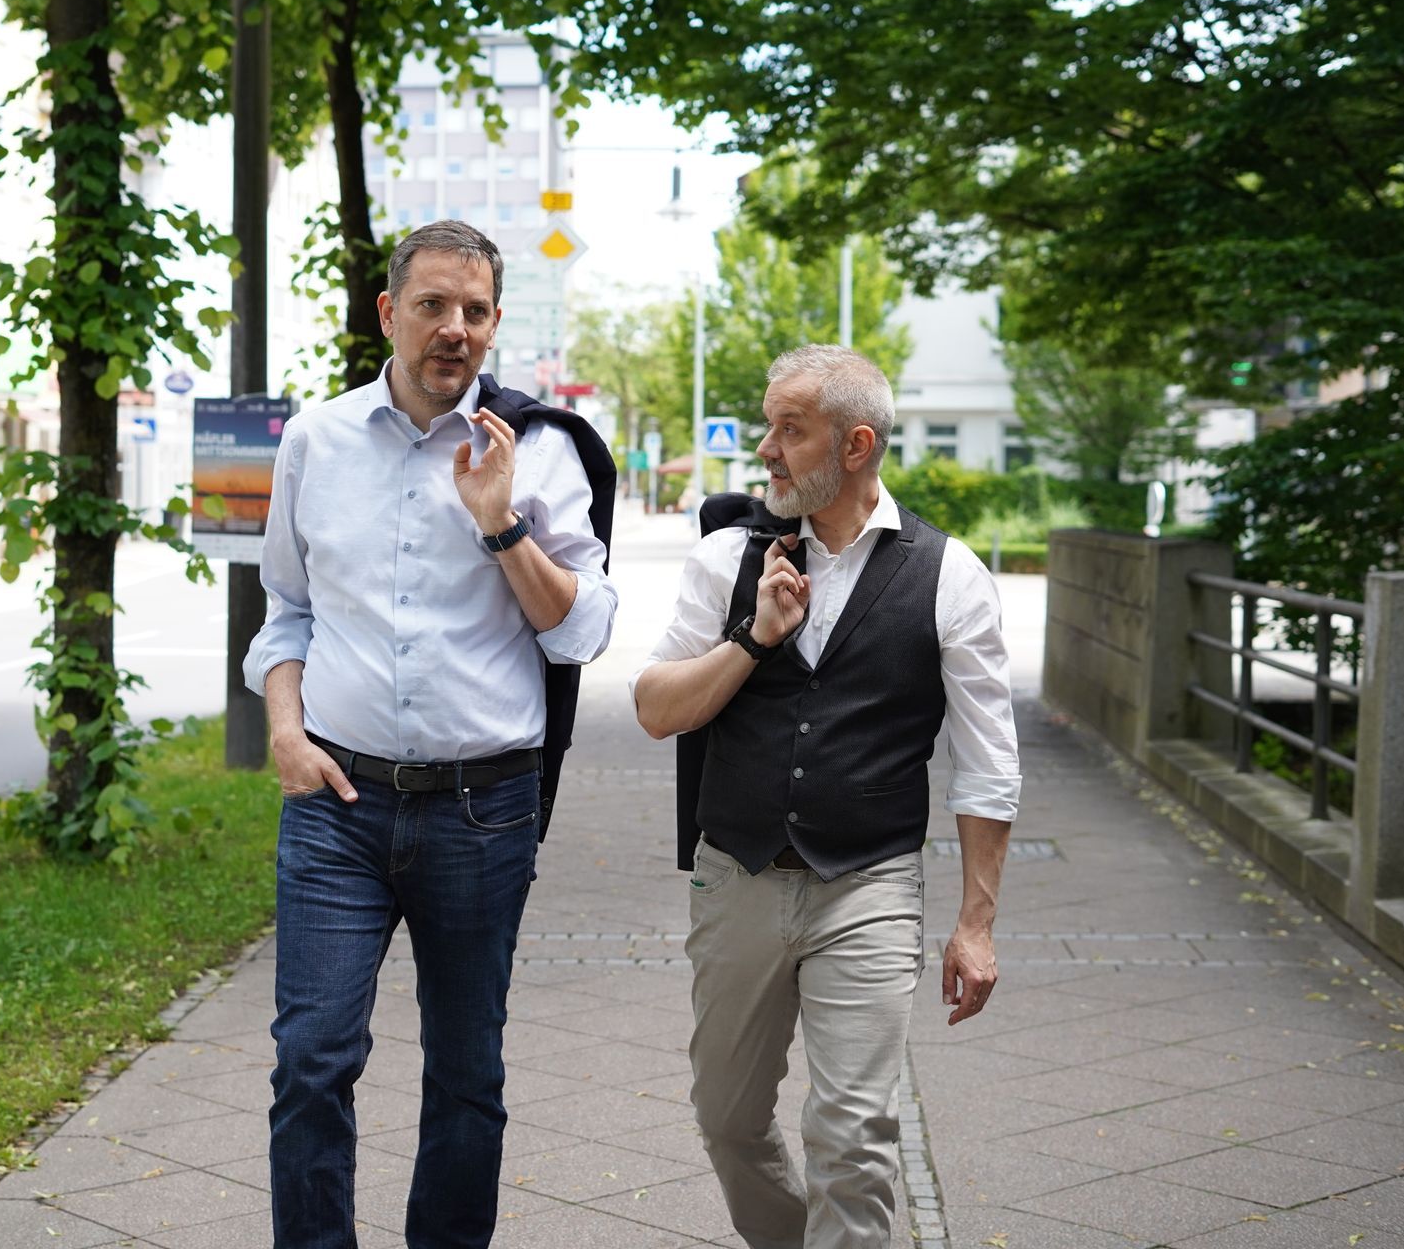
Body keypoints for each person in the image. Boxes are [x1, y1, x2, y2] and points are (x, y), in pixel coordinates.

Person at [242, 220, 618, 1248]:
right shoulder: (316, 440)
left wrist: (501, 524)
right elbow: (287, 609)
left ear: (495, 323)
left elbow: (583, 628)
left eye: (477, 310)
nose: (456, 328)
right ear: (388, 313)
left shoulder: (537, 449)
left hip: (480, 811)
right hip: (335, 804)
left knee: (465, 1071)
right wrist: (285, 731)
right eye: (434, 306)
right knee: (310, 1061)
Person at [631, 344, 1019, 1248]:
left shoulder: (949, 574)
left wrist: (976, 923)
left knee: (853, 1137)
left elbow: (988, 762)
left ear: (855, 445)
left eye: (790, 429)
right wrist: (754, 639)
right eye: (768, 426)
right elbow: (655, 709)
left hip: (869, 887)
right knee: (728, 1119)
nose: (767, 448)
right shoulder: (726, 558)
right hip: (737, 877)